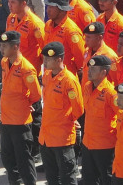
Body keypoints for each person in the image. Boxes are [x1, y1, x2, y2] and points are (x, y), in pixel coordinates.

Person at [0, 30, 41, 185]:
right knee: (7, 157)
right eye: (1, 45)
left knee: (23, 159)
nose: (1, 49)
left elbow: (36, 94)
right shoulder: (4, 62)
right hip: (5, 119)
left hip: (20, 121)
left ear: (15, 47)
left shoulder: (26, 68)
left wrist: (23, 104)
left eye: (5, 46)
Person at [39, 41, 84, 185]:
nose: (44, 62)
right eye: (44, 58)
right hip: (46, 137)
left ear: (59, 59)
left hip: (62, 138)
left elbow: (78, 109)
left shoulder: (69, 81)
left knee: (67, 177)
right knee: (51, 177)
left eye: (48, 59)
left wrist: (67, 121)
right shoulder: (47, 75)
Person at [80, 55, 118, 185]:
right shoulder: (87, 86)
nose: (89, 71)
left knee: (106, 179)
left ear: (103, 72)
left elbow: (122, 116)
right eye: (89, 68)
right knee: (88, 179)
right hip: (87, 143)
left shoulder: (111, 93)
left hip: (104, 146)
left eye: (93, 69)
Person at [44, 0, 86, 75]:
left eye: (52, 7)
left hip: (65, 77)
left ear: (62, 10)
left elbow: (80, 59)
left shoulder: (71, 31)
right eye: (48, 6)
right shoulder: (48, 24)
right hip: (48, 75)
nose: (48, 10)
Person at [6, 0, 45, 72]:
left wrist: (37, 64)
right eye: (9, 2)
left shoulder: (35, 23)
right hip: (12, 68)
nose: (9, 5)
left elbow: (45, 48)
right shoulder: (11, 18)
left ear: (23, 3)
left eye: (13, 2)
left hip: (29, 70)